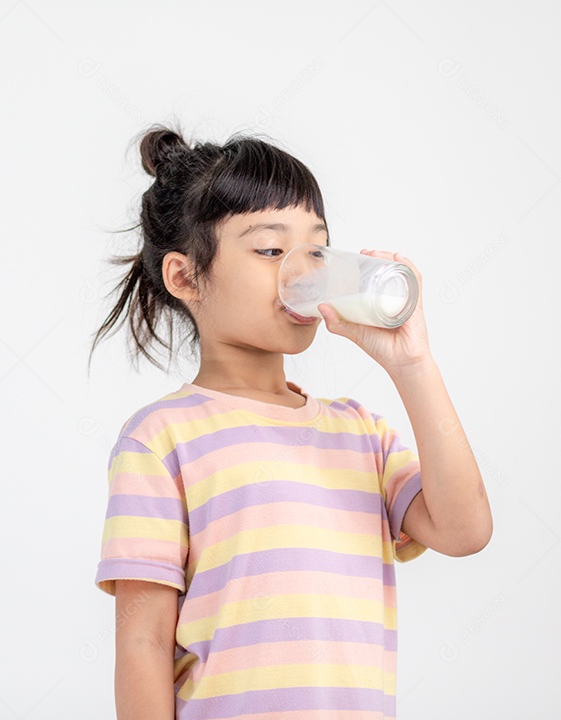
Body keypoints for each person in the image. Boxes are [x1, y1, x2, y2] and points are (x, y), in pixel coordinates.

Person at [88, 121, 493, 720]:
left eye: (316, 250)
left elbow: (465, 532)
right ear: (185, 277)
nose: (298, 272)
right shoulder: (161, 439)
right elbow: (143, 641)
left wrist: (413, 364)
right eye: (271, 250)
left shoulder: (361, 434)